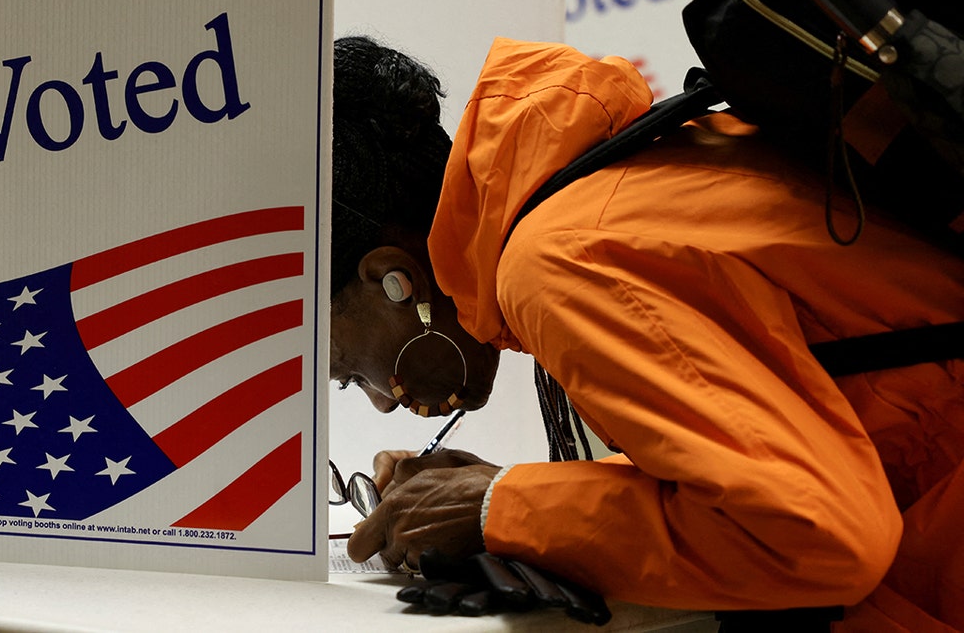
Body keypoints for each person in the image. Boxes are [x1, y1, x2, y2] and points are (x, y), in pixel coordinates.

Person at [329, 35, 964, 631]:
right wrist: (506, 498)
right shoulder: (600, 186)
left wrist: (500, 505)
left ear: (394, 280)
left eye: (350, 372)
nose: (382, 402)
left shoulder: (554, 259)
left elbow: (819, 535)